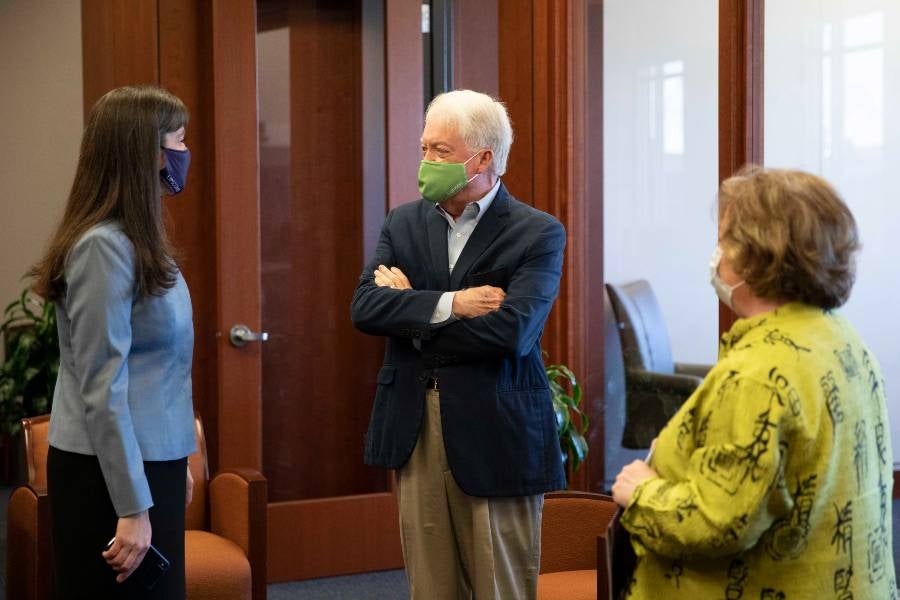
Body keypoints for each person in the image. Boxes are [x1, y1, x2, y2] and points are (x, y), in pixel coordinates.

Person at [612, 167, 895, 598]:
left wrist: (642, 492)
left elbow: (717, 521)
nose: (717, 255)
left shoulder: (757, 375)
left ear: (756, 255)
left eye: (723, 240)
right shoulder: (841, 338)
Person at [350, 89, 566, 599]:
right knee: (430, 588)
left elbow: (512, 333)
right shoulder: (403, 222)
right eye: (424, 148)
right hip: (415, 426)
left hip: (497, 432)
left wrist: (413, 310)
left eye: (440, 151)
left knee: (500, 587)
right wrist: (452, 304)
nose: (426, 161)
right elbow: (364, 308)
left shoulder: (537, 233)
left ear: (483, 158)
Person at [30, 85, 196, 599]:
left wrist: (174, 460)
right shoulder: (102, 248)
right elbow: (103, 387)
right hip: (109, 477)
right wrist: (132, 506)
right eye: (178, 140)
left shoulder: (138, 240)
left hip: (149, 465)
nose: (184, 153)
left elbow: (161, 369)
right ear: (145, 151)